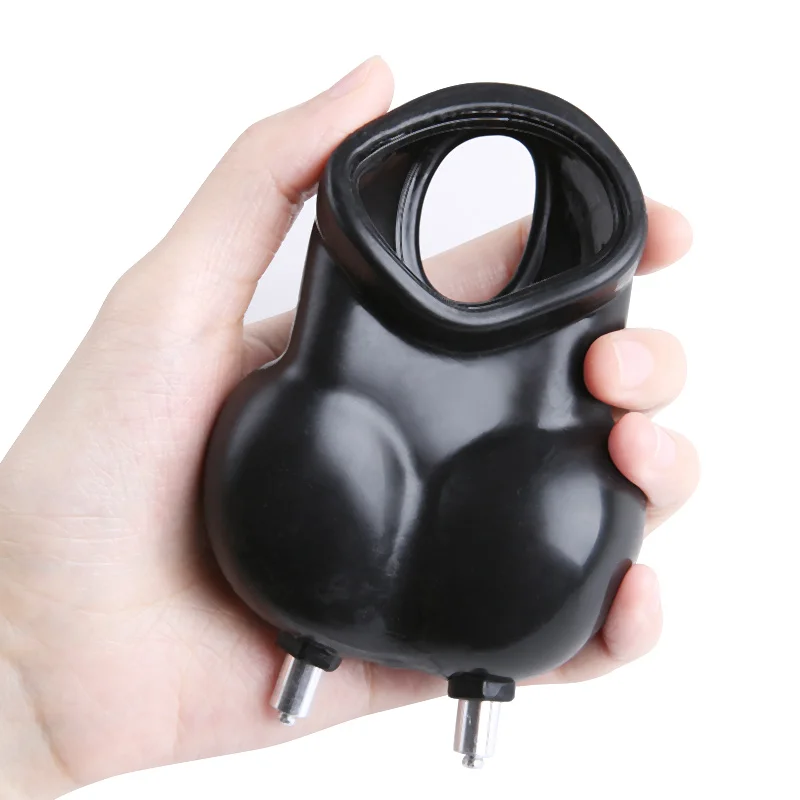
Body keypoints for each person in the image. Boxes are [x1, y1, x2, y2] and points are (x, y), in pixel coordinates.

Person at [0, 57, 699, 799]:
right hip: (471, 602)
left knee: (549, 476)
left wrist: (28, 680)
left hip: (358, 563)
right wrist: (24, 670)